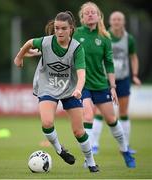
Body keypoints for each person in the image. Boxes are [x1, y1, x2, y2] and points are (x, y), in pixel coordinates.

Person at [14, 11, 99, 173]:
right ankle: (60, 150)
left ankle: (91, 162)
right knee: (46, 123)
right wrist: (19, 57)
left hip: (70, 90)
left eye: (63, 28)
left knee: (79, 131)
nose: (59, 32)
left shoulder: (76, 48)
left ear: (71, 29)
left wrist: (79, 90)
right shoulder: (45, 42)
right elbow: (30, 42)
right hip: (48, 87)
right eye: (57, 28)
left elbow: (82, 74)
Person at [73, 2, 136, 168]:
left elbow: (109, 64)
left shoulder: (105, 37)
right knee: (88, 116)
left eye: (93, 12)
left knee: (111, 119)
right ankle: (89, 159)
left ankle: (124, 150)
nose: (90, 15)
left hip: (101, 85)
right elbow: (62, 49)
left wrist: (113, 86)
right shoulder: (76, 34)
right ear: (82, 17)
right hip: (83, 85)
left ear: (99, 16)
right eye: (87, 13)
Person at [91, 11, 141, 155]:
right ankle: (94, 145)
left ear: (123, 22)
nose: (116, 22)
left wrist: (135, 75)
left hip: (124, 78)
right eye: (114, 19)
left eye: (119, 19)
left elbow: (133, 57)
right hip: (105, 79)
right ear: (110, 21)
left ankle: (125, 146)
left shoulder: (129, 39)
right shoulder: (103, 36)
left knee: (123, 112)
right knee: (100, 112)